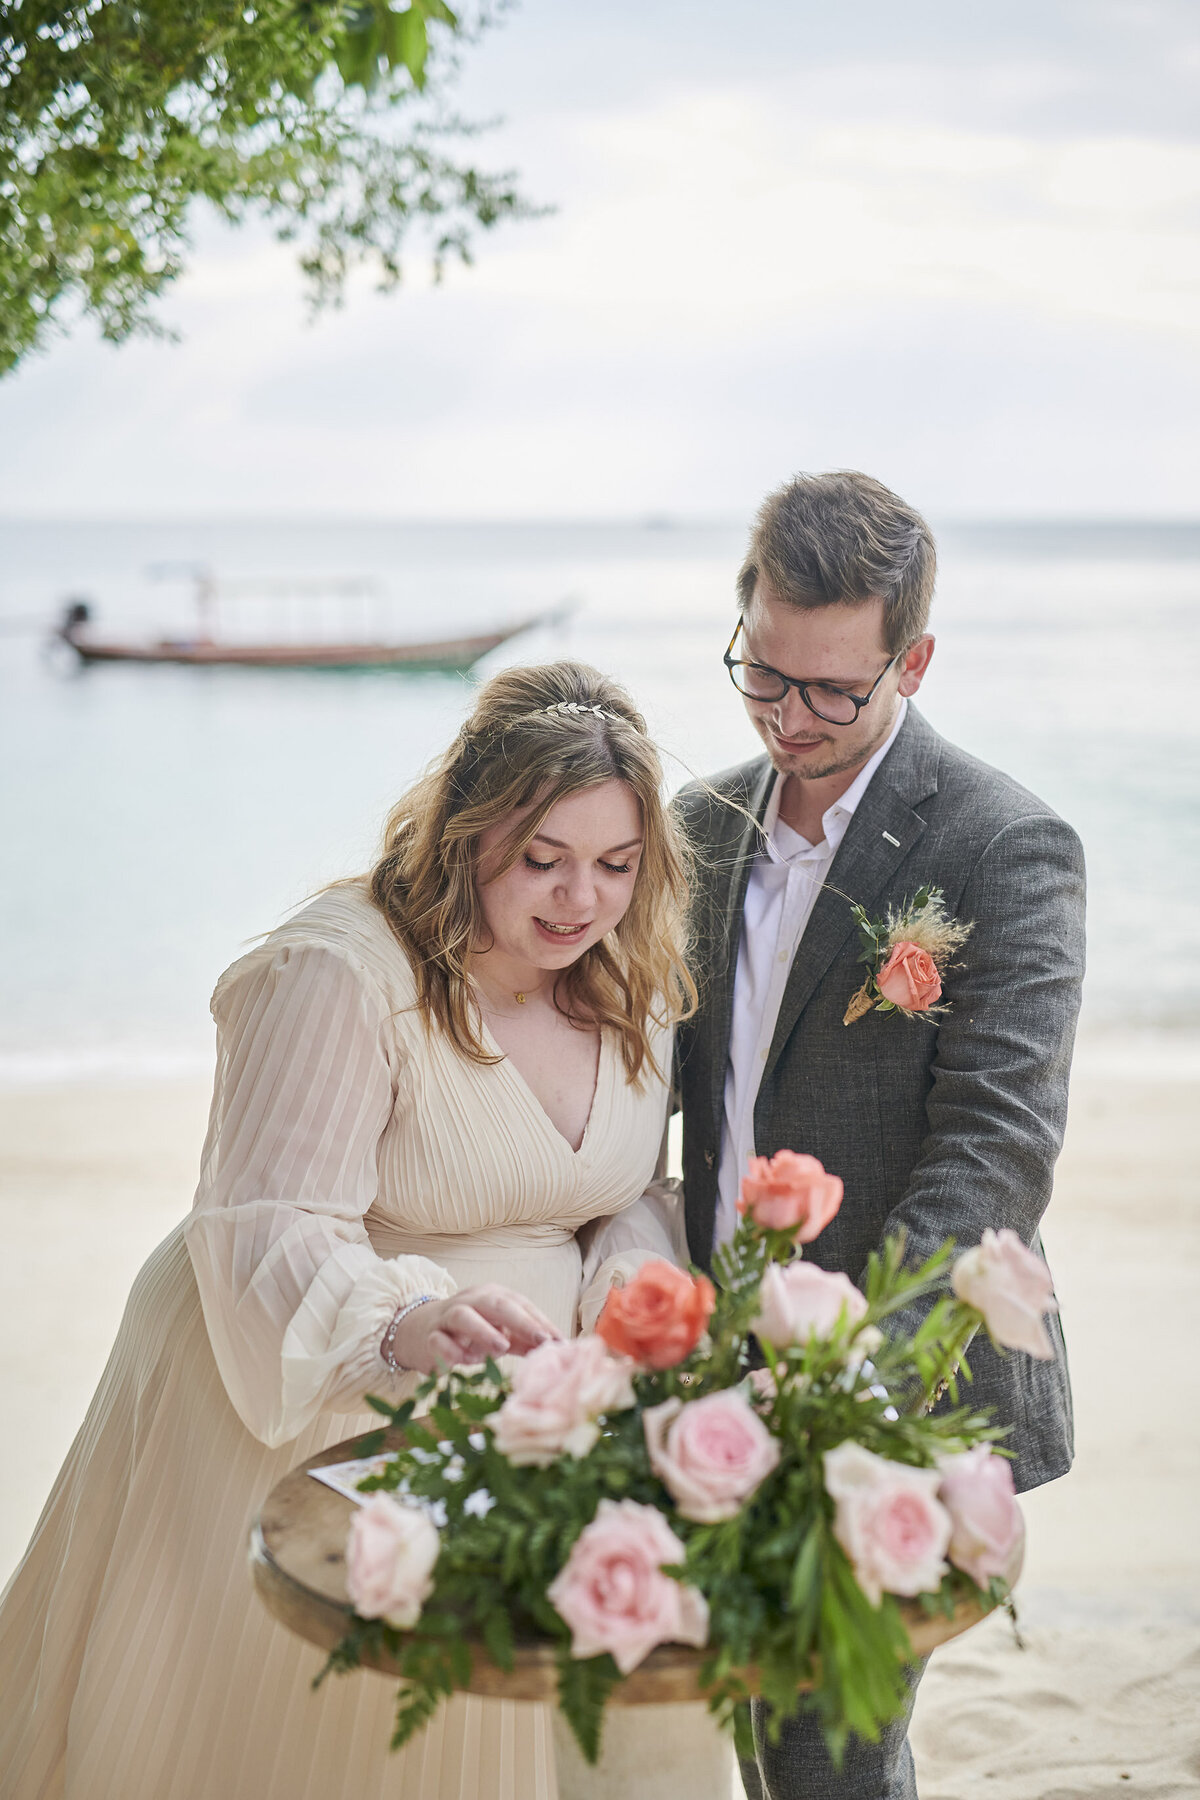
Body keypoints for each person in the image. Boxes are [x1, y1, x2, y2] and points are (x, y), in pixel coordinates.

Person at [0, 661, 702, 1800]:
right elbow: (268, 1218)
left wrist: (627, 1279)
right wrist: (408, 1321)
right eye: (544, 861)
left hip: (517, 1392)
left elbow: (617, 1182)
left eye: (617, 865)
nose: (582, 900)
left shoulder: (630, 969)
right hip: (295, 1372)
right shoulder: (338, 969)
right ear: (470, 832)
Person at [674, 471, 1086, 1800]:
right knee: (751, 1729)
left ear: (912, 658)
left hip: (896, 1390)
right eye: (763, 675)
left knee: (823, 1750)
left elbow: (995, 1149)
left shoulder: (1003, 845)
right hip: (707, 1376)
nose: (789, 718)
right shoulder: (696, 828)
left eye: (832, 692)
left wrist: (844, 1372)